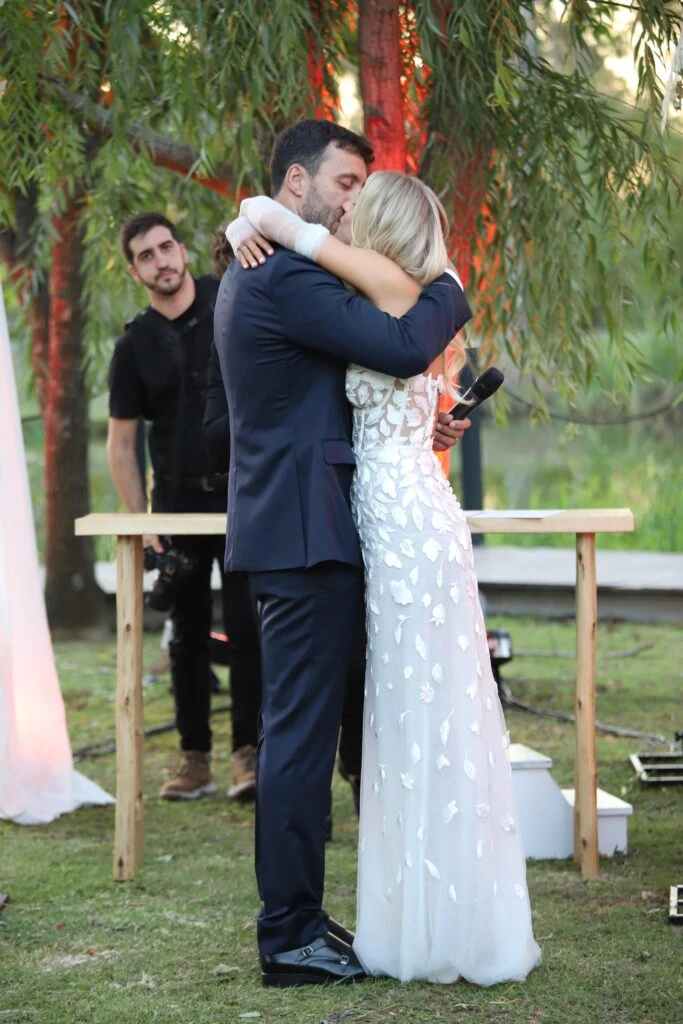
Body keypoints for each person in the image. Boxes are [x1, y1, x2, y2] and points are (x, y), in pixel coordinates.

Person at [231, 172, 542, 986]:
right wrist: (252, 221)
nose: (343, 208)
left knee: (411, 711)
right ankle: (329, 926)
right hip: (349, 522)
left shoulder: (371, 288)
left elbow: (387, 362)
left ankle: (401, 916)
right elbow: (394, 360)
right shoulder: (335, 283)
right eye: (339, 187)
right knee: (370, 720)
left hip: (388, 521)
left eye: (355, 199)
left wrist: (257, 215)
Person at [214, 119, 471, 988]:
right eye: (346, 183)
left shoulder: (275, 264)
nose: (355, 200)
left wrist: (412, 422)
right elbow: (402, 341)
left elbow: (355, 381)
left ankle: (303, 917)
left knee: (305, 730)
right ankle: (288, 934)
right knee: (297, 736)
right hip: (303, 531)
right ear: (297, 182)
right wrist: (450, 282)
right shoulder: (285, 273)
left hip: (308, 525)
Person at [107, 213, 260, 802]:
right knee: (186, 635)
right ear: (135, 271)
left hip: (243, 494)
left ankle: (248, 752)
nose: (161, 260)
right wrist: (143, 522)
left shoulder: (231, 300)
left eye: (166, 247)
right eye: (146, 255)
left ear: (182, 249)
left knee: (249, 628)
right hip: (175, 503)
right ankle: (195, 758)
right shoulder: (133, 346)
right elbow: (120, 443)